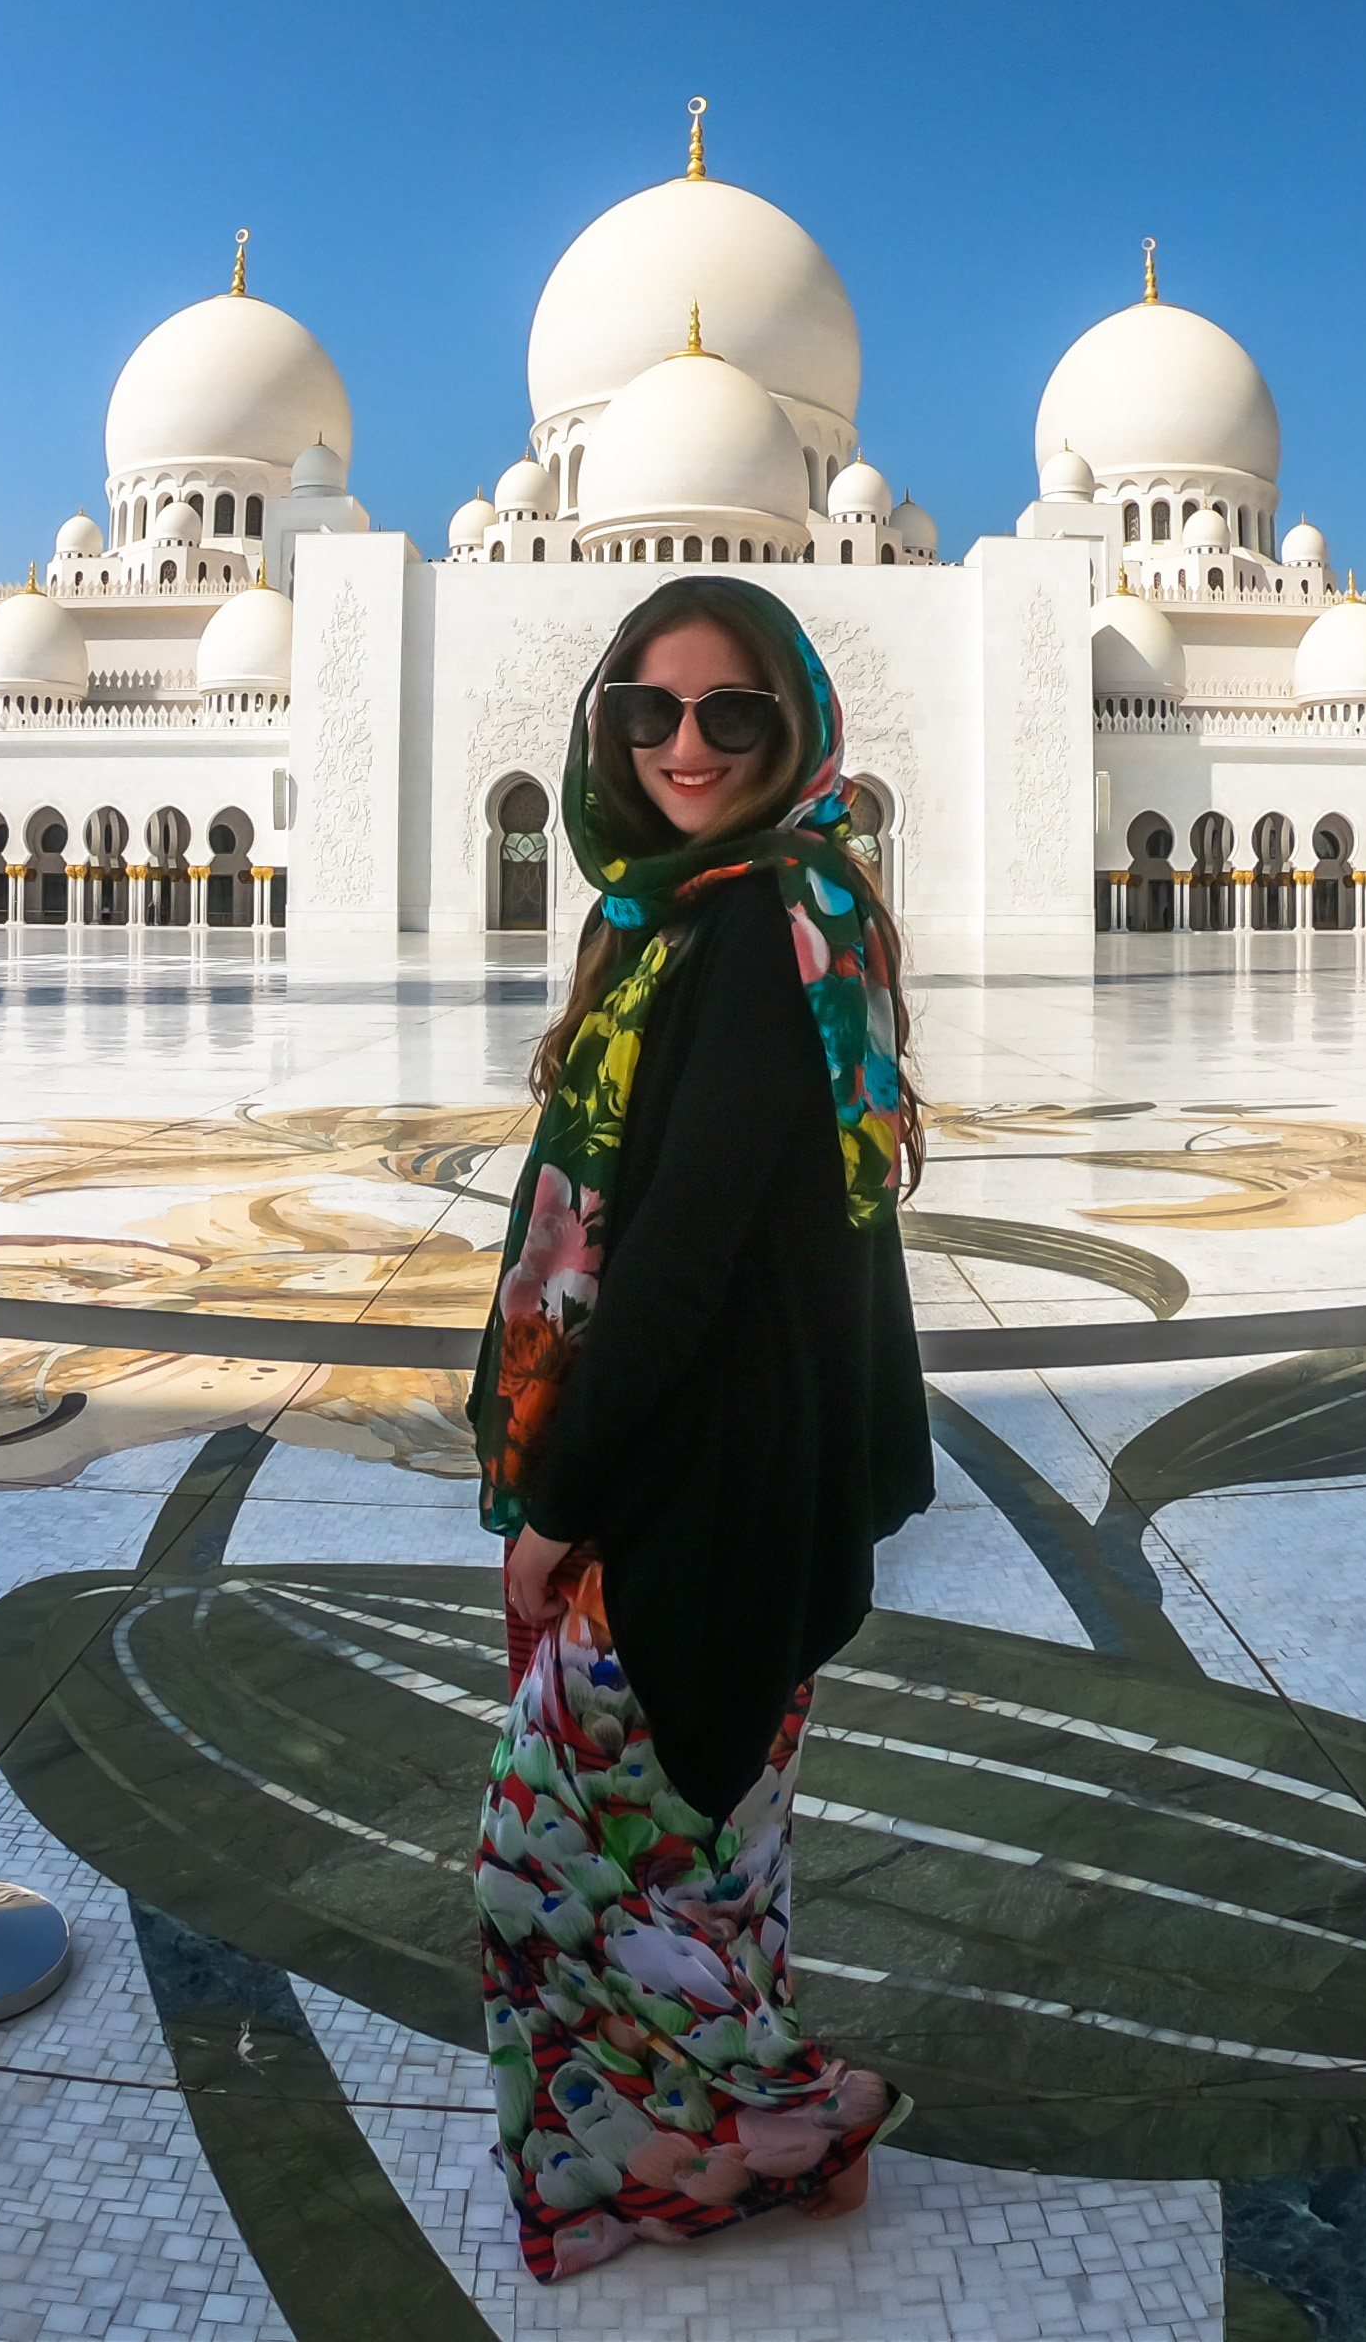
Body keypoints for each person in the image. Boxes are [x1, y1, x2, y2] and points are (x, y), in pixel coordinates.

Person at [466, 573, 935, 2282]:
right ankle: (777, 2133)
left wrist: (555, 1508)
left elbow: (667, 1275)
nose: (684, 744)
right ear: (607, 722)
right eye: (652, 711)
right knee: (703, 1866)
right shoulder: (734, 913)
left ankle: (732, 2148)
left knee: (544, 1875)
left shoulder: (744, 929)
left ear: (791, 726)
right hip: (750, 1495)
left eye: (730, 714)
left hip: (692, 1505)